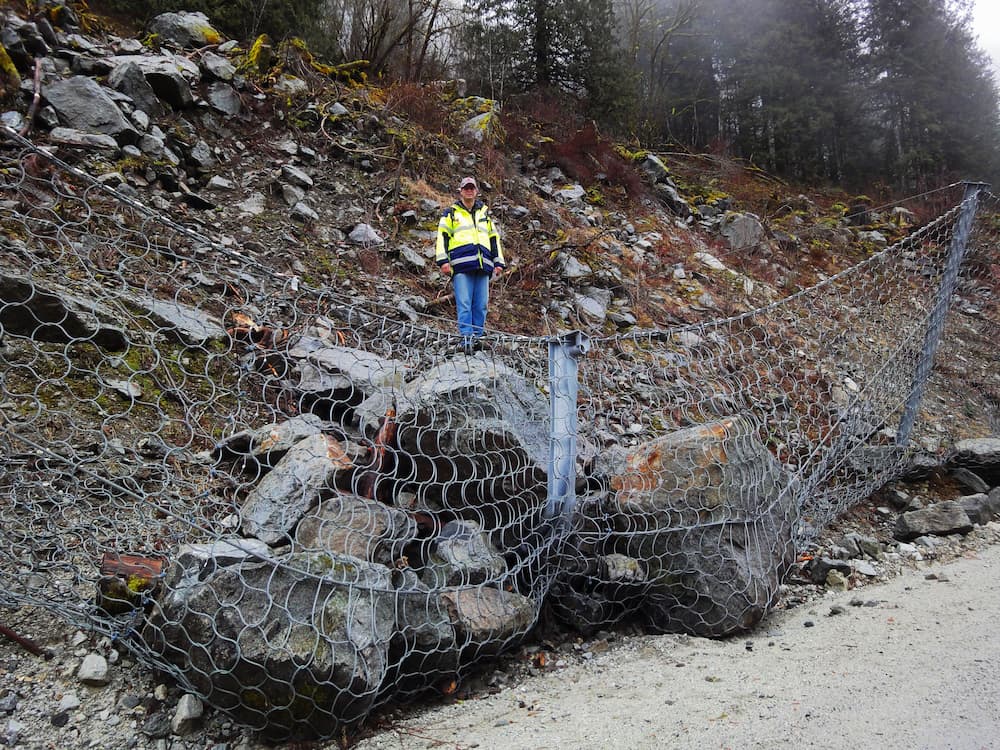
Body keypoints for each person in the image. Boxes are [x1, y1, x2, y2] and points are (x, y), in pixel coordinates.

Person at [435, 176, 505, 351]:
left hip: (483, 265)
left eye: (471, 188)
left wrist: (498, 262)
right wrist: (443, 261)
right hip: (461, 265)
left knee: (481, 304)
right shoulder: (450, 213)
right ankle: (466, 338)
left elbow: (493, 239)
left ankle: (478, 336)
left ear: (476, 191)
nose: (469, 190)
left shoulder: (485, 214)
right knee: (464, 303)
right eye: (465, 187)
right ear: (460, 191)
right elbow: (442, 236)